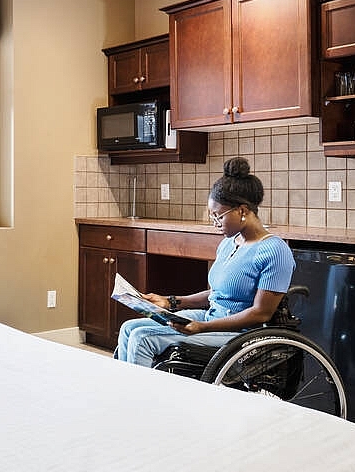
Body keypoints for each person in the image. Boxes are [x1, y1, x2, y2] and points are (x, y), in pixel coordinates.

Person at [116, 156, 295, 369]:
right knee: (129, 328)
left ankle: (140, 400)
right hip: (211, 317)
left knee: (143, 338)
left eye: (218, 216)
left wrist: (203, 327)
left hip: (239, 333)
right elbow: (217, 294)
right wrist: (170, 301)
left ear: (243, 210)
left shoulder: (274, 250)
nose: (215, 223)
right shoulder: (230, 243)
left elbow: (260, 314)